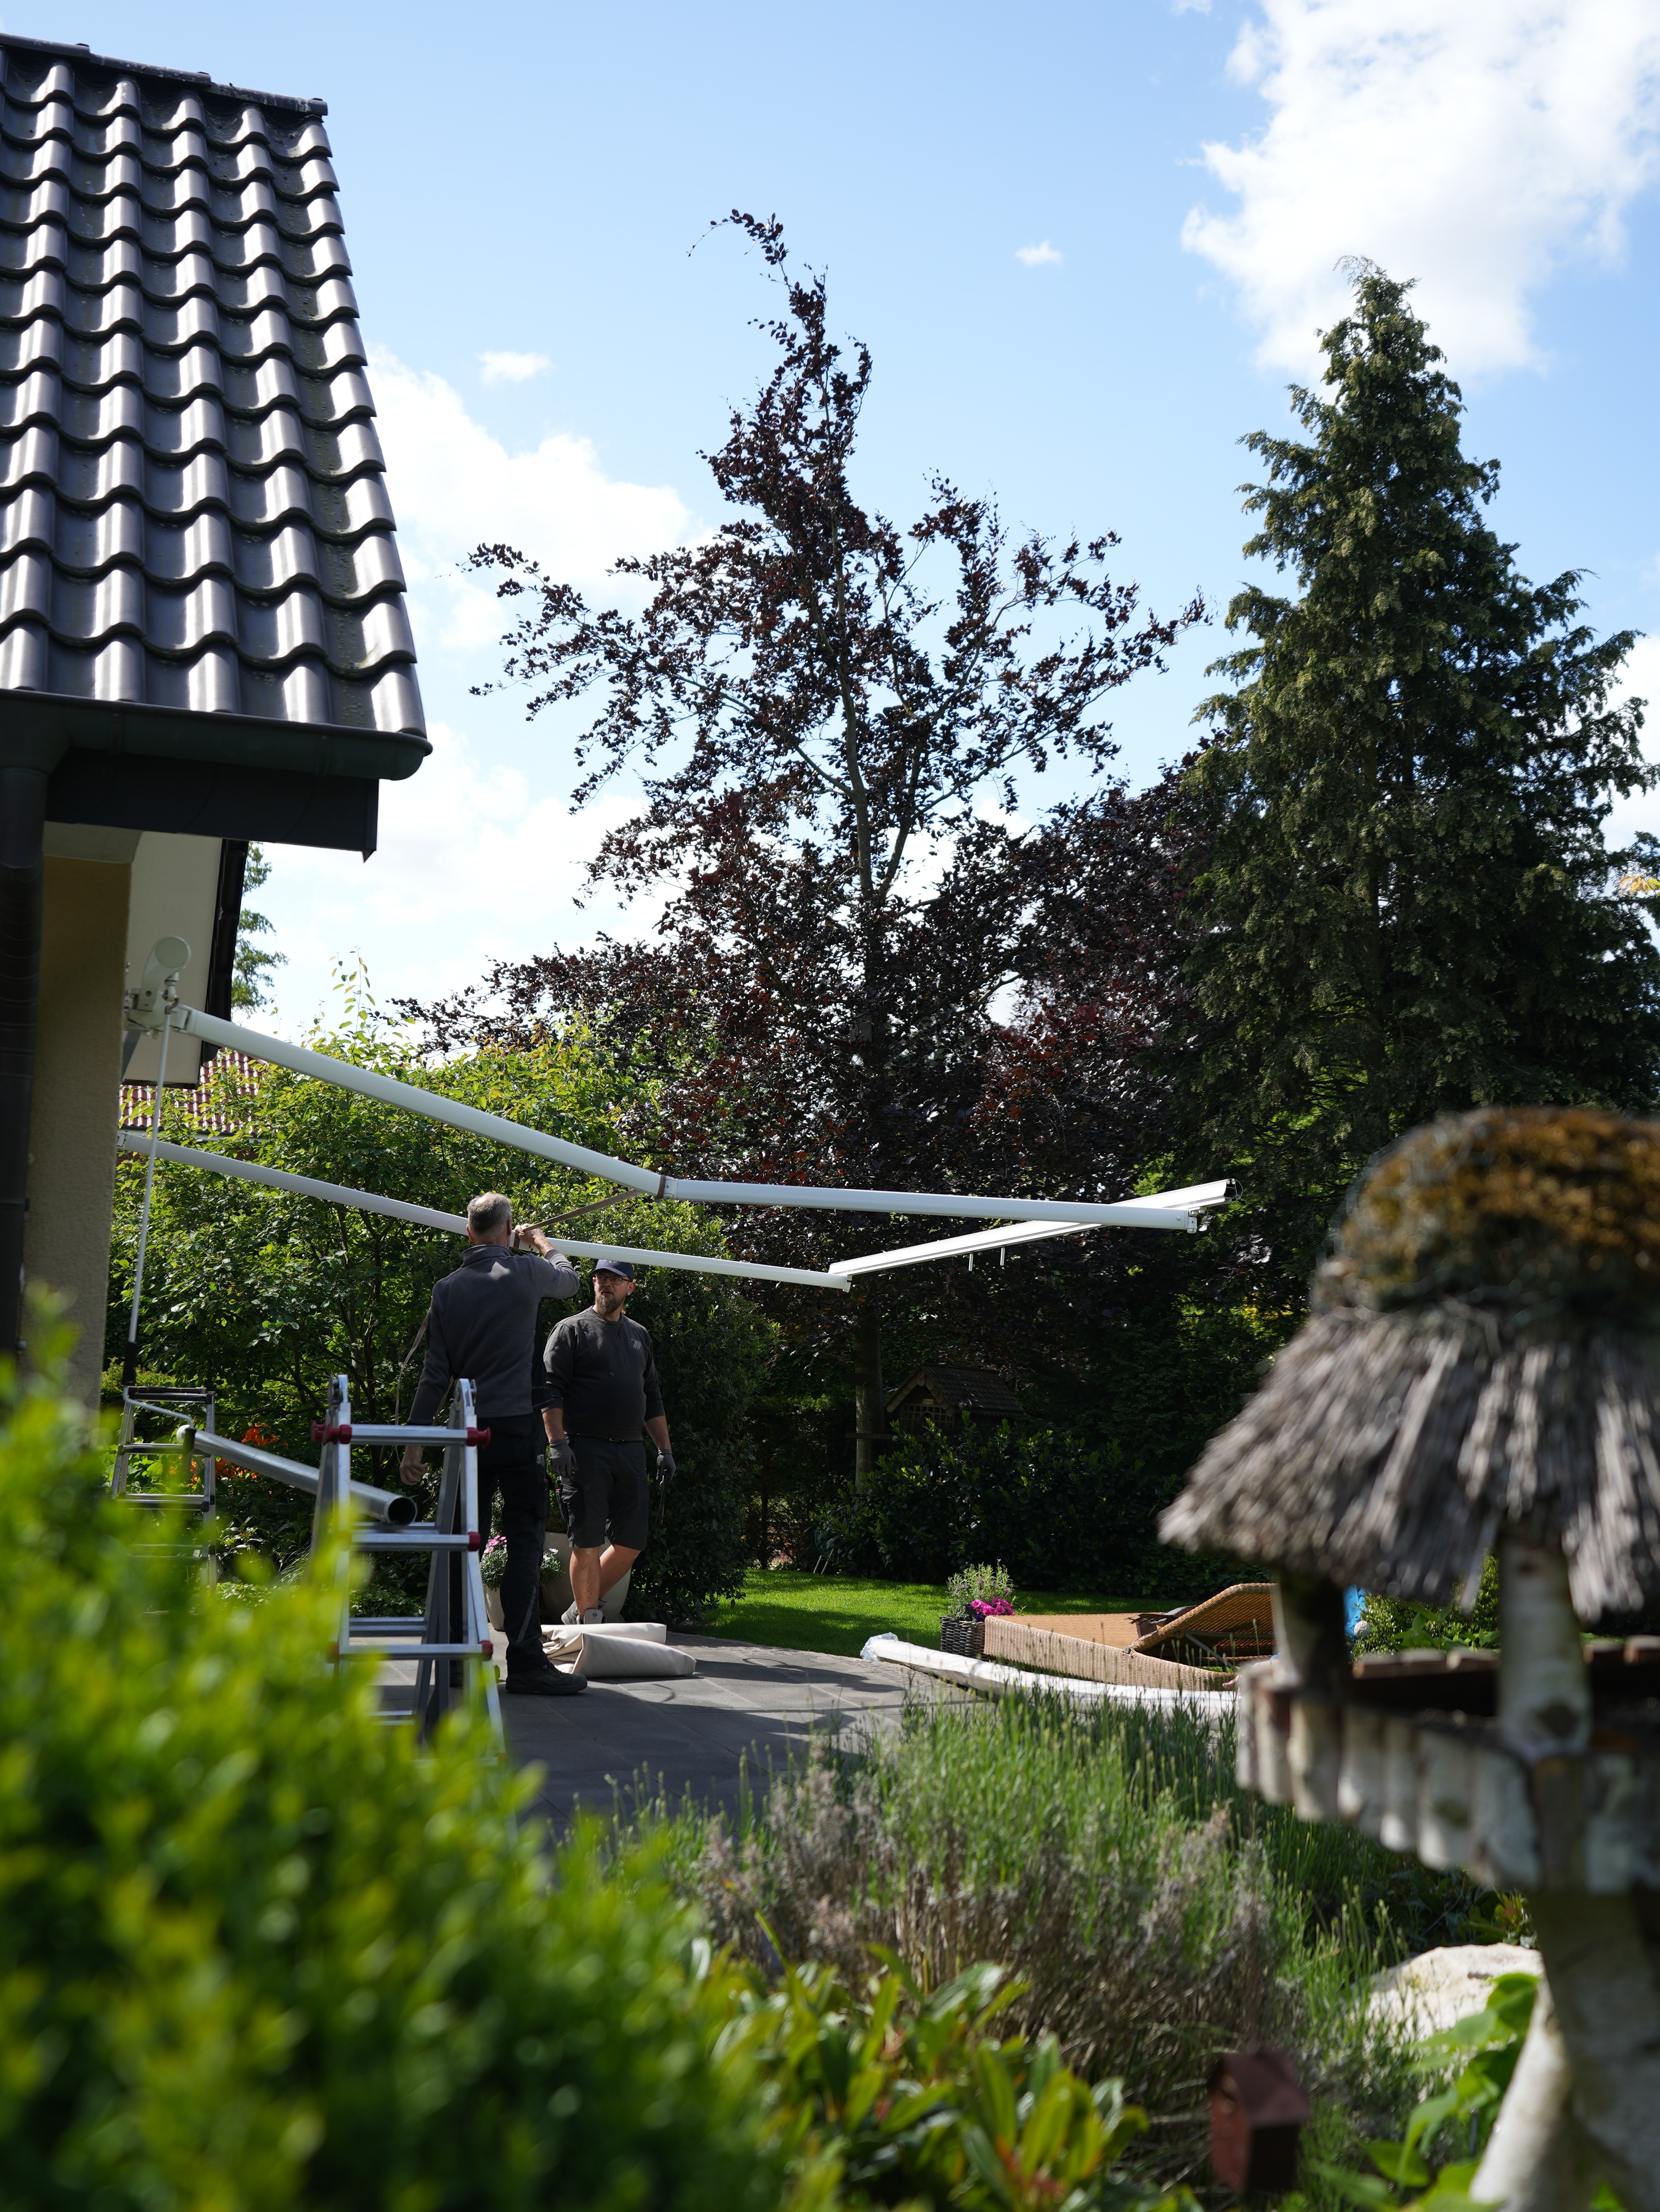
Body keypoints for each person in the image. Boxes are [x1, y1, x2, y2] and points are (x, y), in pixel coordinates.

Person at [400, 1192, 585, 1697]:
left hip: (468, 1432)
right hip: (518, 1428)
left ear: (468, 1232)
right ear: (507, 1230)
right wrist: (541, 1242)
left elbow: (435, 1373)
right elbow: (569, 1279)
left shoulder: (447, 1289)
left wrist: (415, 1442)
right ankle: (525, 1663)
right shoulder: (527, 1271)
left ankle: (456, 1661)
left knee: (463, 1543)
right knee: (524, 1540)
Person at [541, 1257, 675, 1623]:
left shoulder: (640, 1336)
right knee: (586, 1542)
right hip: (583, 1449)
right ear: (593, 1284)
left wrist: (664, 1450)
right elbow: (549, 1391)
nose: (606, 1283)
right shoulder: (570, 1330)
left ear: (630, 1287)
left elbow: (652, 1398)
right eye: (600, 1277)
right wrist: (558, 1443)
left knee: (632, 1541)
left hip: (630, 1449)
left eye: (615, 1279)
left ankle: (579, 1610)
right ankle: (588, 1622)